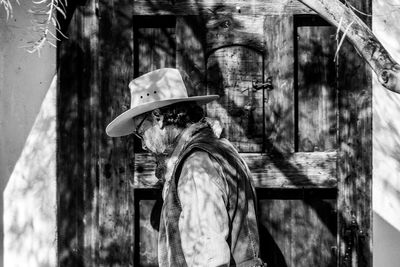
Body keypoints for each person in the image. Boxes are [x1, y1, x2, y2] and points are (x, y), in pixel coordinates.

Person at [106, 68, 265, 267]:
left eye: (140, 132)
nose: (143, 144)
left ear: (158, 117)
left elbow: (209, 259)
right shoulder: (223, 148)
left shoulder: (195, 165)